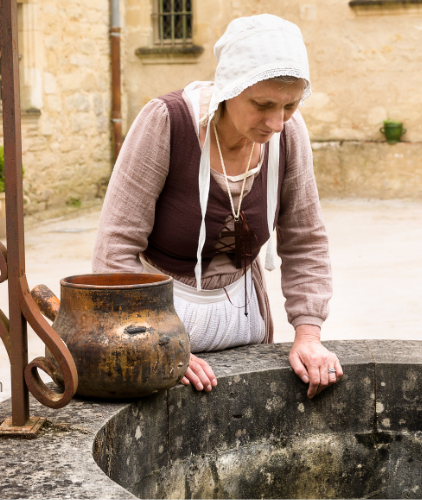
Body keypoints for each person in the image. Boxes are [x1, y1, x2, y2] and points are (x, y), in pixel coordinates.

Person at [92, 14, 341, 399]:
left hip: (246, 321)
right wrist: (154, 342)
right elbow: (116, 247)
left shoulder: (289, 135)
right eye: (263, 104)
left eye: (289, 105)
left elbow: (306, 240)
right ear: (229, 87)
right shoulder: (167, 122)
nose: (277, 122)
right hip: (157, 320)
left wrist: (308, 334)